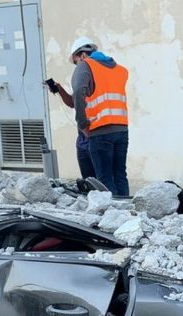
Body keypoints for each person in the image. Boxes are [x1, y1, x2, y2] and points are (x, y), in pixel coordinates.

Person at [70, 37, 130, 197]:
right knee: (120, 175)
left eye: (75, 61)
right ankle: (126, 212)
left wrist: (82, 123)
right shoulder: (119, 69)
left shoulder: (86, 65)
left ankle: (112, 216)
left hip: (99, 130)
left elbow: (77, 92)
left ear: (82, 55)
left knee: (104, 179)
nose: (77, 66)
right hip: (122, 129)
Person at [44, 78, 96, 179]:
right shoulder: (81, 85)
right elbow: (72, 102)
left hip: (97, 141)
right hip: (82, 144)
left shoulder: (98, 86)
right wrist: (59, 89)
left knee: (102, 182)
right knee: (89, 182)